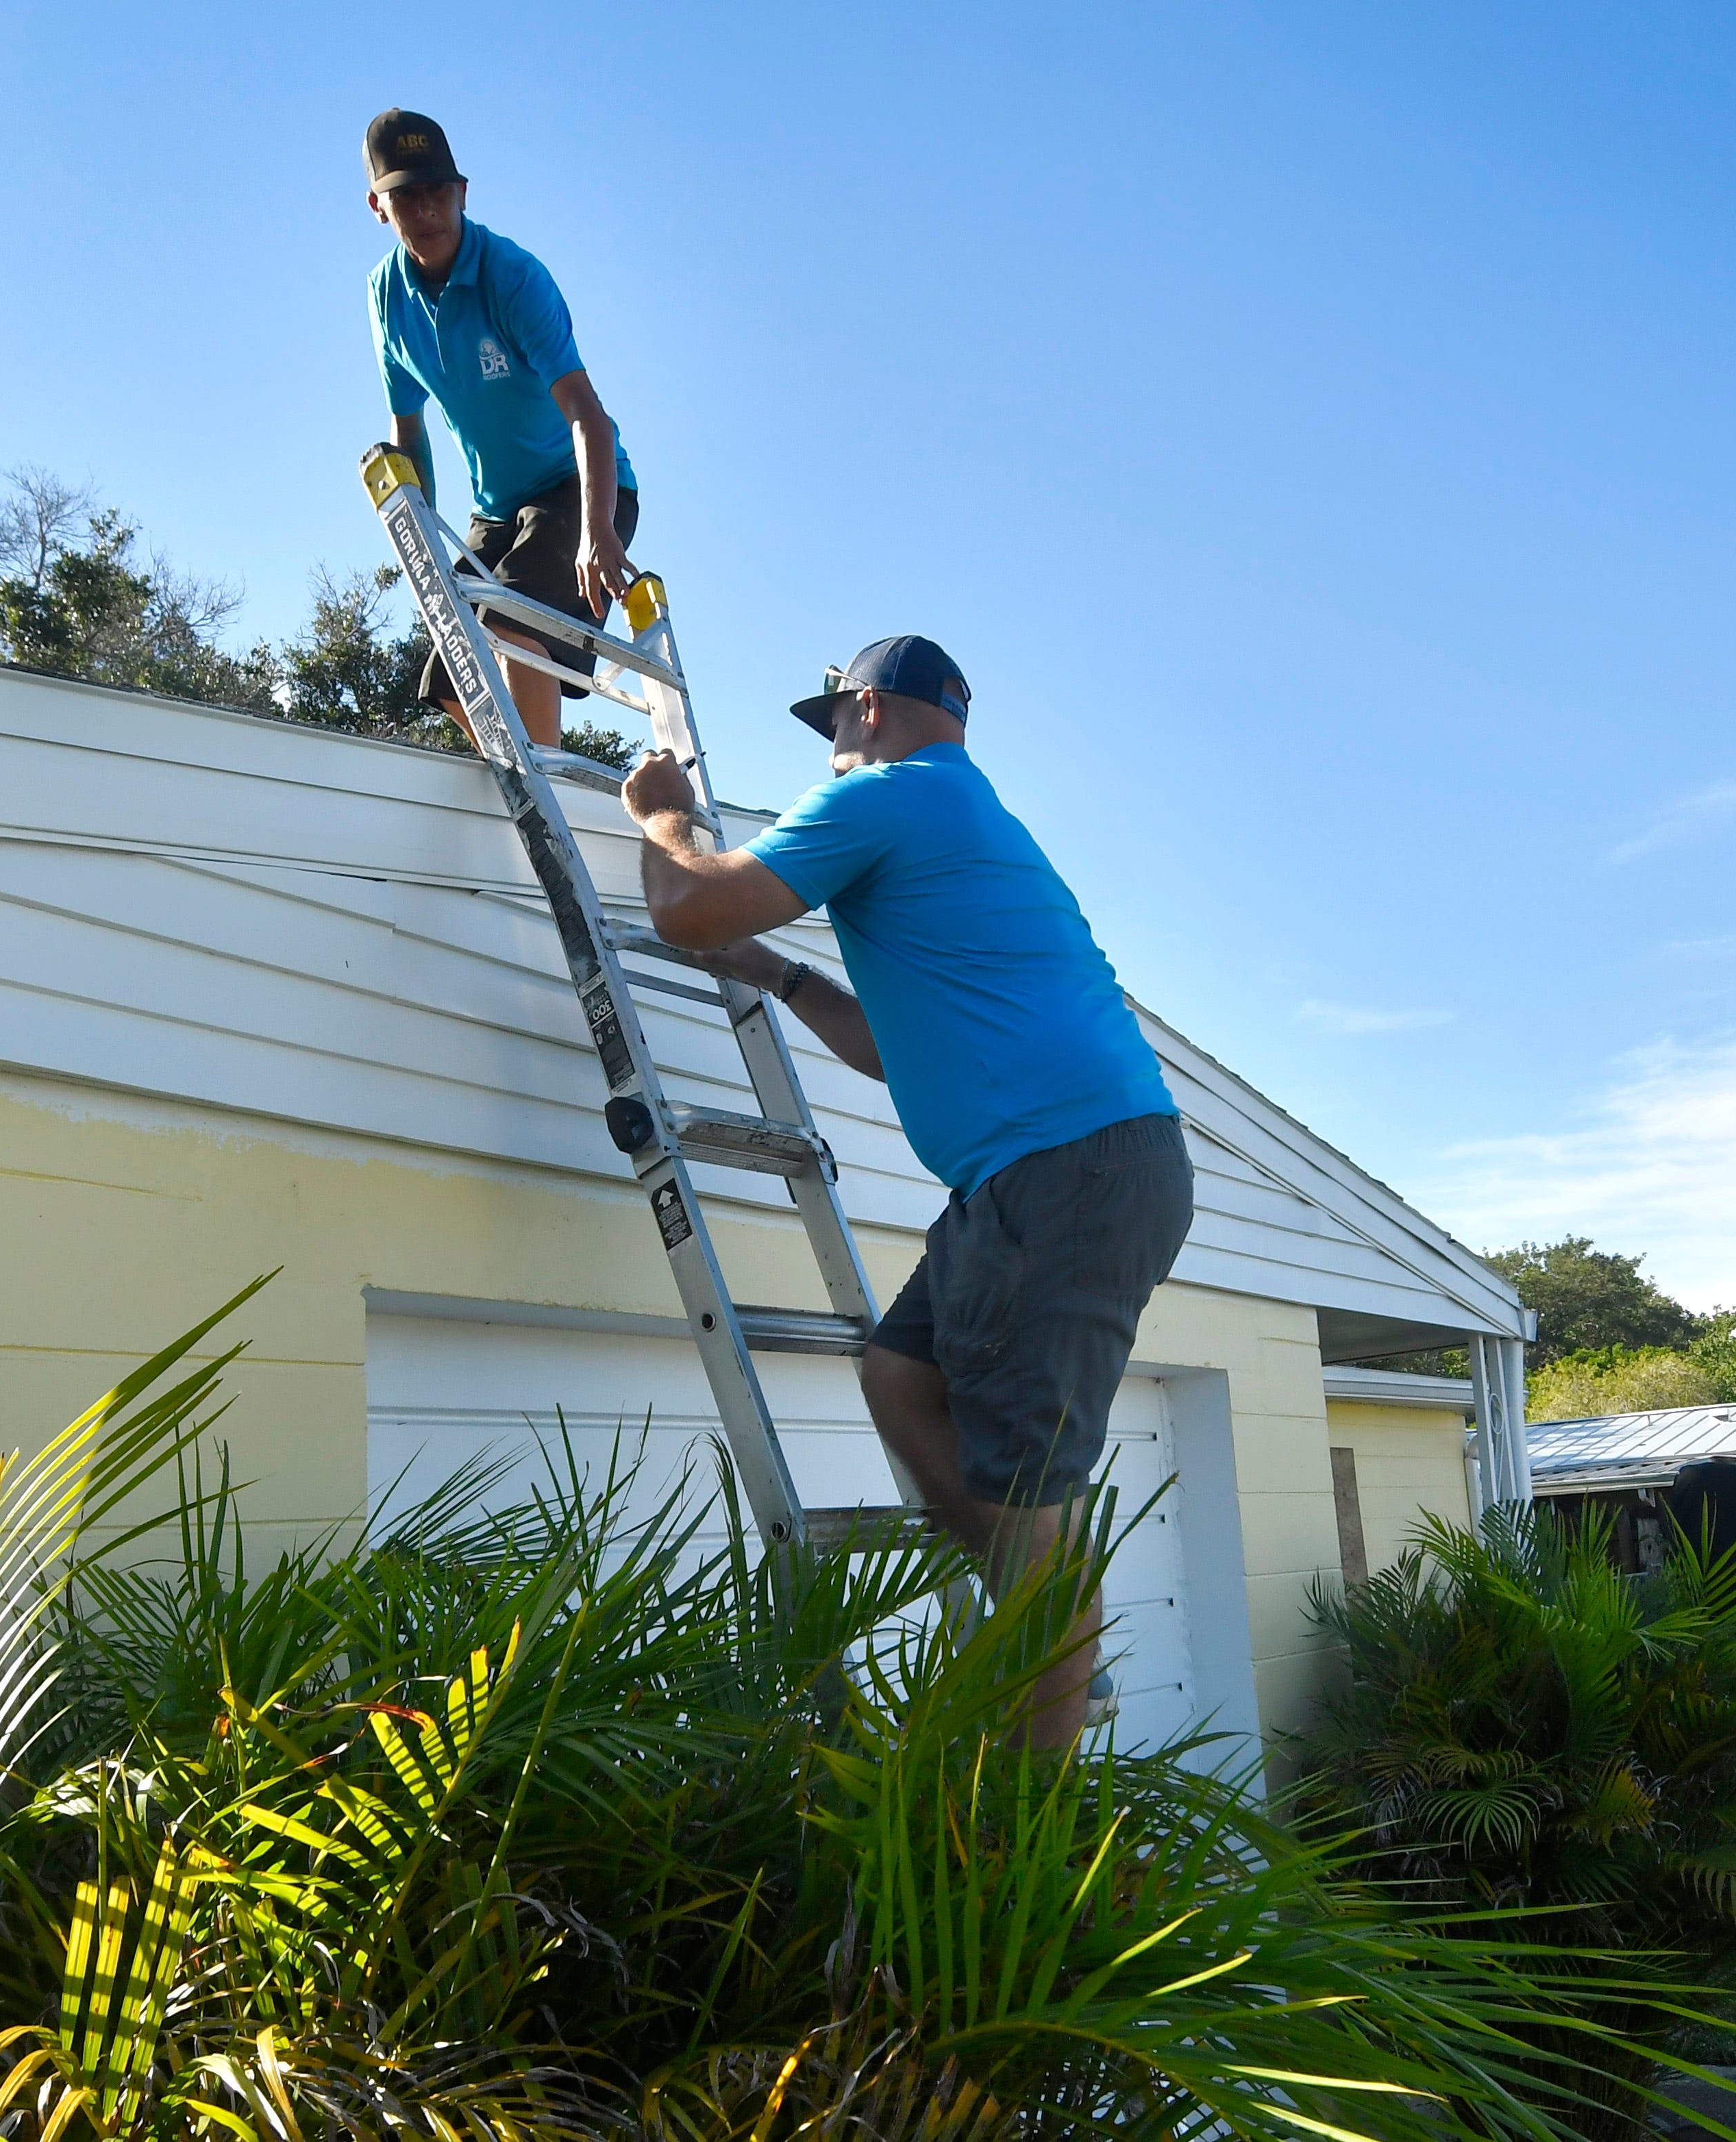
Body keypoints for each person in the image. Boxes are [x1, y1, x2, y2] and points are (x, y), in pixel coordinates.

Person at [617, 634, 1193, 1749]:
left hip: (1059, 1171)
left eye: (831, 721)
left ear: (867, 710)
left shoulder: (887, 797)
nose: (830, 746)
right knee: (898, 1375)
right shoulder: (962, 820)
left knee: (1029, 1509)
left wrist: (661, 811)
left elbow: (685, 907)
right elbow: (890, 1048)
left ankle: (1028, 1828)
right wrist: (781, 974)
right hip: (1048, 1171)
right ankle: (1040, 1624)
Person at [362, 108, 638, 751]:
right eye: (407, 196)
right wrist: (420, 536)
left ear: (462, 192)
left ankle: (543, 787)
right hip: (499, 509)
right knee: (449, 671)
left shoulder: (512, 278)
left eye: (438, 192)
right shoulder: (385, 298)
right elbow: (410, 433)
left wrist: (597, 530)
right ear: (378, 206)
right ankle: (519, 776)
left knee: (507, 622)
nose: (427, 210)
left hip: (583, 487)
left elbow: (587, 414)